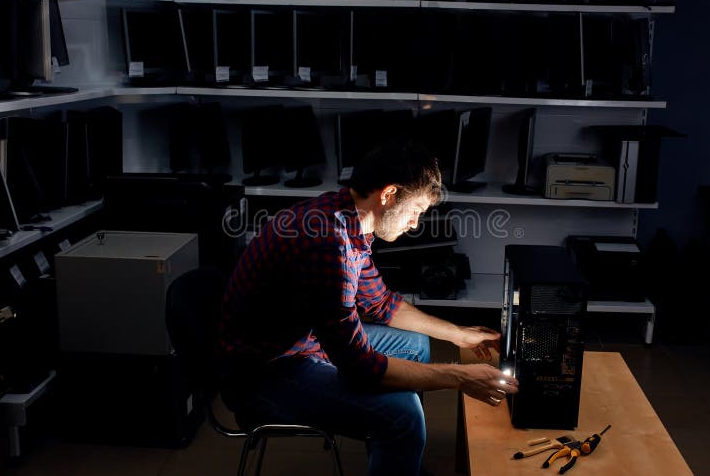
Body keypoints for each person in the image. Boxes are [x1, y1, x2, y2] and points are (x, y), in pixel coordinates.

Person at [219, 137, 518, 475]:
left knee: (415, 346)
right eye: (416, 211)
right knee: (404, 415)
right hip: (268, 373)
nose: (415, 224)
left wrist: (459, 335)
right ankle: (396, 441)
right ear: (388, 194)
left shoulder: (347, 217)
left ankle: (397, 459)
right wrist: (459, 377)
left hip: (305, 343)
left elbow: (380, 304)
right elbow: (359, 367)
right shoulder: (328, 244)